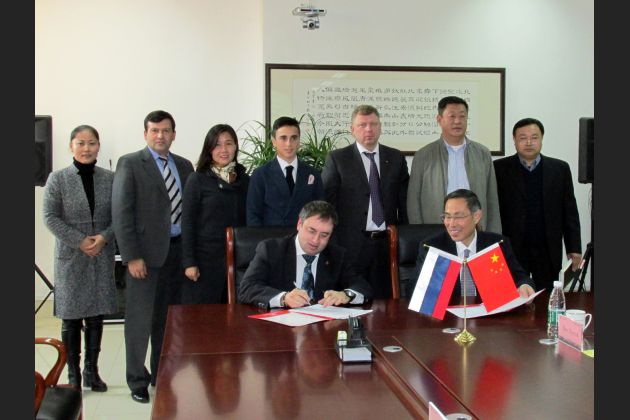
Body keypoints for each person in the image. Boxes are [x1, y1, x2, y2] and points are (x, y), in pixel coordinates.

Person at [112, 110, 194, 403]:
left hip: (176, 253)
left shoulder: (184, 165)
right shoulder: (131, 163)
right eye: (155, 130)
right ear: (145, 133)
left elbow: (189, 211)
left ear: (174, 134)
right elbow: (121, 212)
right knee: (139, 321)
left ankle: (162, 374)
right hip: (144, 258)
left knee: (167, 321)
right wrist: (131, 256)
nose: (161, 135)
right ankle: (136, 379)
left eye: (166, 130)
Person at [42, 125, 117, 392]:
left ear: (99, 146)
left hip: (101, 254)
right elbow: (50, 217)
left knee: (96, 316)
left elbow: (120, 215)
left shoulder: (111, 178)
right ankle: (73, 374)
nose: (87, 148)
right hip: (71, 256)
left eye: (92, 143)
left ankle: (91, 372)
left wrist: (104, 238)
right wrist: (81, 241)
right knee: (71, 318)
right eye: (81, 143)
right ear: (71, 146)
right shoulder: (58, 179)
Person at [322, 105, 409, 299]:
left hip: (386, 243)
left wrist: (402, 236)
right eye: (362, 125)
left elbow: (403, 203)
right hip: (350, 244)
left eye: (373, 124)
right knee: (351, 298)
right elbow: (328, 204)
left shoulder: (395, 158)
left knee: (386, 301)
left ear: (380, 127)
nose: (368, 129)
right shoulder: (338, 159)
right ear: (352, 129)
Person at [493, 118, 582, 291]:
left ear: (542, 139)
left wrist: (574, 247)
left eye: (534, 137)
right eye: (522, 138)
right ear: (514, 140)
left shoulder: (560, 169)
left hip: (547, 247)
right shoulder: (498, 168)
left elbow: (569, 211)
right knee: (514, 296)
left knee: (547, 296)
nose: (528, 142)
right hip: (512, 247)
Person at [237, 200, 373, 308]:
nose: (316, 240)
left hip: (323, 328)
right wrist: (283, 298)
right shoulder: (271, 250)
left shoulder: (337, 256)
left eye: (324, 235)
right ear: (299, 224)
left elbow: (363, 287)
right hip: (280, 328)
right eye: (311, 231)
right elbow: (246, 288)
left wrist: (347, 294)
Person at [408, 189, 535, 300]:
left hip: (489, 316)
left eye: (458, 217)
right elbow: (413, 292)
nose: (451, 224)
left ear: (476, 217)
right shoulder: (433, 247)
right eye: (447, 217)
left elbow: (520, 278)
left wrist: (525, 286)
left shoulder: (496, 244)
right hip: (448, 316)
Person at [407, 96, 501, 232]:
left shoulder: (482, 153)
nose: (457, 121)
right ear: (439, 119)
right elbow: (413, 201)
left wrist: (493, 234)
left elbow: (492, 199)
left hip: (475, 229)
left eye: (462, 116)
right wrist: (419, 233)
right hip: (436, 230)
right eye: (452, 116)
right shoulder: (424, 155)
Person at [181, 124, 249, 304]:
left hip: (238, 262)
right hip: (205, 263)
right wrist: (189, 262)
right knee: (206, 316)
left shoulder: (245, 179)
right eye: (217, 144)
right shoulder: (197, 179)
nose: (224, 150)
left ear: (236, 146)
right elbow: (187, 222)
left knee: (235, 314)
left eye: (229, 143)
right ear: (209, 149)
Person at [247, 116, 324, 226]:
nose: (289, 144)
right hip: (271, 235)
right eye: (283, 138)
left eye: (294, 138)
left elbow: (320, 212)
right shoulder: (261, 174)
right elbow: (253, 215)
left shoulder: (312, 173)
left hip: (302, 235)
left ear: (299, 141)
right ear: (274, 142)